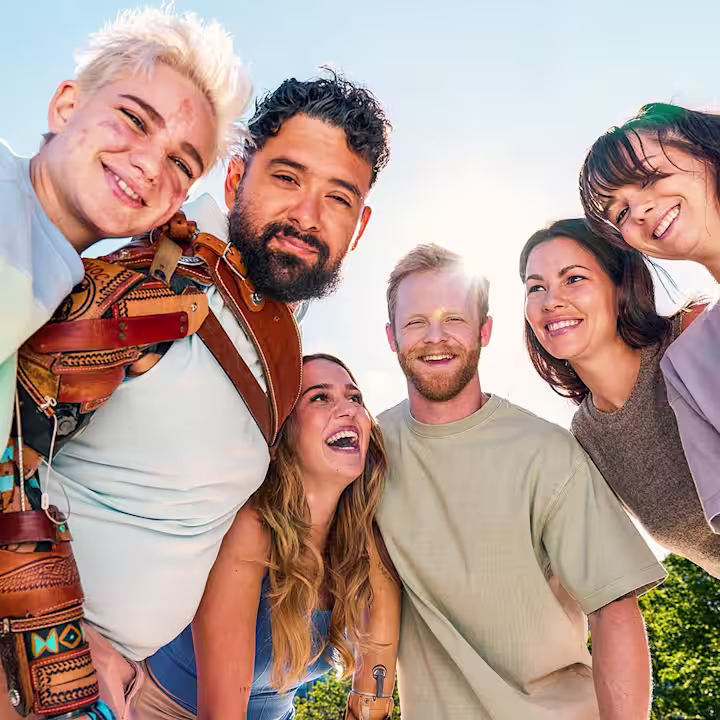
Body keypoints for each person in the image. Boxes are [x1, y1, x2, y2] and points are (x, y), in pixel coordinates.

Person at [1, 74, 391, 720]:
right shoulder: (162, 282)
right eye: (287, 178)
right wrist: (59, 644)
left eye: (337, 198)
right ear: (236, 180)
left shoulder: (283, 357)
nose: (306, 215)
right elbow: (11, 432)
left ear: (360, 225)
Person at [376, 243, 666, 720]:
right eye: (415, 322)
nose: (435, 337)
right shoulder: (369, 451)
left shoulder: (547, 451)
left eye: (455, 320)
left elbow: (613, 609)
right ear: (392, 337)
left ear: (484, 330)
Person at [0, 6, 249, 449]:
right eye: (135, 119)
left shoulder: (52, 273)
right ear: (67, 106)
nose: (151, 165)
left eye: (180, 163)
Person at [134, 354, 401, 720]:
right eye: (320, 397)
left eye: (354, 398)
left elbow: (373, 698)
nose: (348, 410)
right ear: (283, 433)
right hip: (166, 711)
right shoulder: (252, 528)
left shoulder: (363, 541)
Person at [520, 217, 720, 577]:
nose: (551, 301)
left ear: (620, 285)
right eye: (536, 288)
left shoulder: (696, 334)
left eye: (574, 279)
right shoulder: (586, 437)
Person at [579, 103, 720, 536]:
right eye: (620, 213)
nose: (637, 211)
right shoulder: (687, 365)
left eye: (647, 177)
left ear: (707, 152)